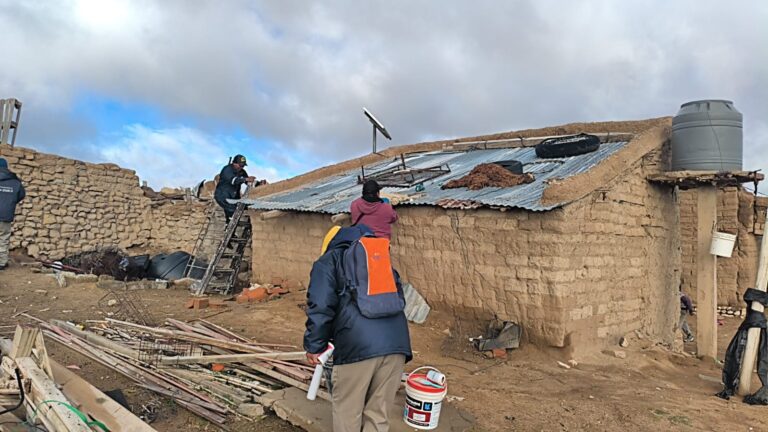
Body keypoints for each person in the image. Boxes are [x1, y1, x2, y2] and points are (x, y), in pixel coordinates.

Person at [304, 224, 412, 432]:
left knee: (348, 413)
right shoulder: (379, 259)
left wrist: (314, 346)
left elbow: (320, 305)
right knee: (378, 416)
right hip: (397, 344)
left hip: (357, 347)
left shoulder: (329, 261)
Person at [214, 154, 265, 223]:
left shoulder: (242, 172)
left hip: (234, 197)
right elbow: (234, 180)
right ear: (234, 163)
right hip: (223, 196)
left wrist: (258, 183)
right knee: (232, 211)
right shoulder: (227, 169)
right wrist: (246, 179)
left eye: (243, 165)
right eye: (240, 165)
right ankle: (229, 225)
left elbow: (247, 182)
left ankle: (230, 227)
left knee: (243, 208)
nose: (241, 167)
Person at [0, 158, 25, 270]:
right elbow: (21, 195)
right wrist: (10, 201)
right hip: (6, 215)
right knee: (3, 238)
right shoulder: (15, 182)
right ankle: (1, 263)